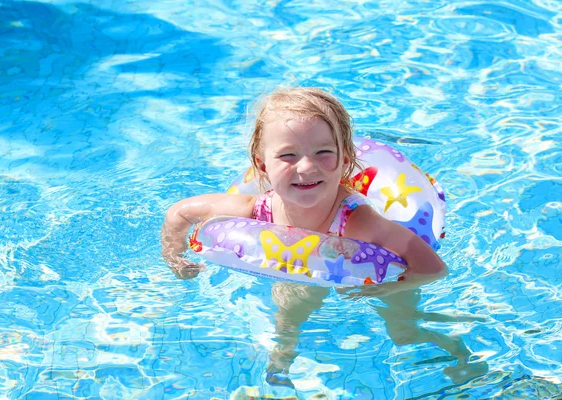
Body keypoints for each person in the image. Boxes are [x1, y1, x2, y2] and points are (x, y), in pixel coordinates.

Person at [161, 87, 446, 387]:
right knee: (288, 306)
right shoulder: (256, 210)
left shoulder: (359, 223)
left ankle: (454, 350)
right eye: (287, 155)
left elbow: (432, 267)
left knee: (403, 332)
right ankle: (284, 352)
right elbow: (178, 214)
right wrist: (174, 257)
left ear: (345, 161)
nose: (307, 167)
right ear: (262, 166)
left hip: (360, 264)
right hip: (302, 273)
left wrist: (391, 289)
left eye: (324, 153)